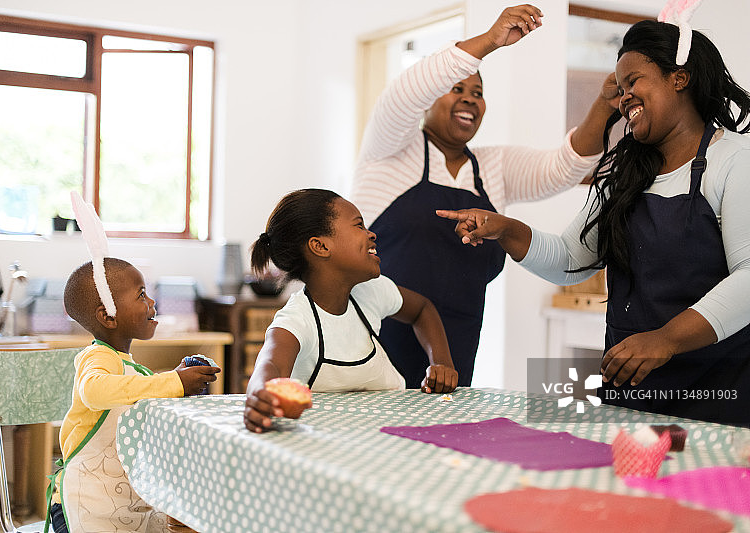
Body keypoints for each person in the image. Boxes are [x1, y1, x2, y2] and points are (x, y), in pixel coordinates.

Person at [437, 19, 750, 425]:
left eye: (633, 81)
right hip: (631, 392)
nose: (624, 99)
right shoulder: (625, 174)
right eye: (619, 90)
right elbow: (572, 259)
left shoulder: (735, 161)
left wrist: (665, 340)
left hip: (717, 391)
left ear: (679, 78)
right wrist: (507, 229)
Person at [351, 4, 620, 388]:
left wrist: (604, 106)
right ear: (430, 99)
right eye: (456, 88)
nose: (469, 99)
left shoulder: (495, 169)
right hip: (375, 344)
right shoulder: (389, 150)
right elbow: (403, 94)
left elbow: (566, 165)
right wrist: (490, 41)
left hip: (456, 355)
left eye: (478, 92)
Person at [244, 189, 458, 433]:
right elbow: (269, 363)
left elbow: (422, 309)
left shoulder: (372, 291)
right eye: (359, 226)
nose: (372, 234)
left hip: (394, 434)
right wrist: (260, 395)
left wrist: (442, 363)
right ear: (321, 246)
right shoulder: (298, 318)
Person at [48, 258, 220, 532]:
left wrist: (177, 378)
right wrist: (172, 381)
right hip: (82, 504)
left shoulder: (132, 368)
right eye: (141, 294)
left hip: (119, 505)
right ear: (108, 316)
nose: (152, 302)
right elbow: (94, 390)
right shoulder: (96, 356)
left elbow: (140, 391)